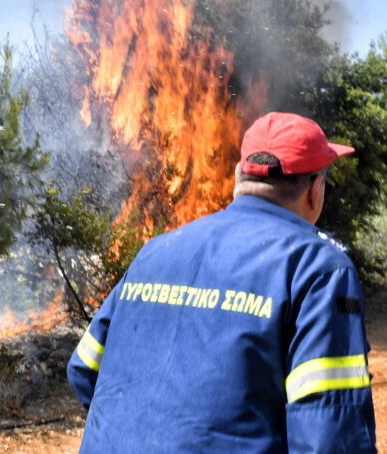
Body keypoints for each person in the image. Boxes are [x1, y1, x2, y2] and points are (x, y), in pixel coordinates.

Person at [67, 112, 376, 453]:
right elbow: (331, 435)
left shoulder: (155, 252)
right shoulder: (318, 268)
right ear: (316, 190)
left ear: (236, 177)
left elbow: (85, 368)